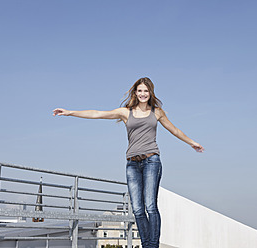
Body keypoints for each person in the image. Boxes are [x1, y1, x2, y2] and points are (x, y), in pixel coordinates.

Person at [53, 77, 204, 248]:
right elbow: (98, 113)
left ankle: (152, 245)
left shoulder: (157, 112)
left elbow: (174, 129)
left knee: (150, 206)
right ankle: (147, 244)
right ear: (135, 92)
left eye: (146, 91)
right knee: (138, 209)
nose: (143, 94)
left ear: (150, 93)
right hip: (132, 164)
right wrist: (70, 112)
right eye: (140, 90)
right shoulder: (126, 112)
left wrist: (192, 142)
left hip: (151, 161)